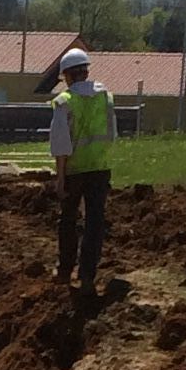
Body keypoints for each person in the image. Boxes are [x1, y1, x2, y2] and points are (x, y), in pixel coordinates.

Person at [49, 43, 115, 295]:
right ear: (85, 72)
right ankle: (88, 274)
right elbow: (112, 135)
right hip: (100, 168)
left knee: (67, 219)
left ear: (67, 76)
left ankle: (65, 270)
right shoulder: (105, 97)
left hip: (75, 170)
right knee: (95, 222)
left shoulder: (65, 102)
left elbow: (61, 145)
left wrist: (61, 178)